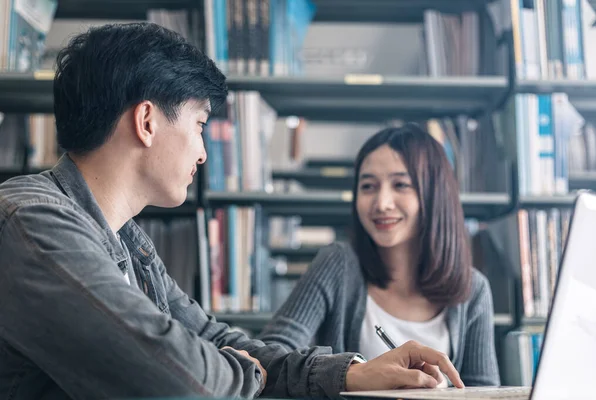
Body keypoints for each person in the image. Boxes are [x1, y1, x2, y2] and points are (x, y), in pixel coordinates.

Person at [0, 23, 465, 400]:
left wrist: (350, 373)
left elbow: (209, 337)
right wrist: (247, 374)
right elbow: (186, 381)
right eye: (199, 125)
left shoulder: (127, 241)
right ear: (147, 122)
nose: (203, 154)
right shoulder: (33, 224)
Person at [258, 125, 501, 387]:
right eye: (368, 186)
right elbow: (266, 357)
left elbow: (484, 391)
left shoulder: (473, 290)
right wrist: (352, 373)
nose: (382, 202)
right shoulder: (338, 265)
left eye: (401, 185)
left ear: (434, 194)